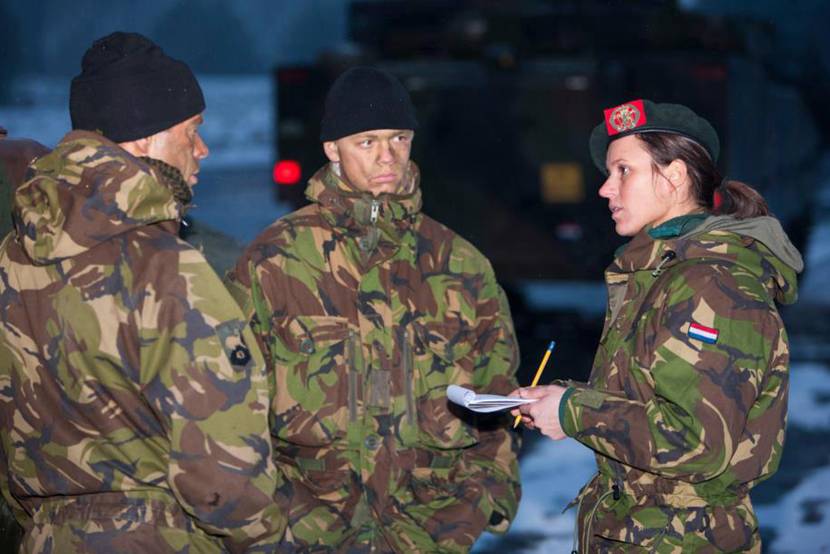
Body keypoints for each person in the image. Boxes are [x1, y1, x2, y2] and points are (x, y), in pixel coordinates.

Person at [0, 32, 283, 553]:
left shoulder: (11, 259)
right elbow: (223, 467)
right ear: (145, 138)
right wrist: (265, 539)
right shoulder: (166, 266)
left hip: (46, 535)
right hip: (161, 536)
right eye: (192, 131)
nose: (203, 149)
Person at [225, 66, 522, 552]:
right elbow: (230, 408)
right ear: (332, 149)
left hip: (428, 534)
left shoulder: (459, 264)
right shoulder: (276, 261)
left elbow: (498, 400)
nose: (388, 156)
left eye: (398, 138)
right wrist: (271, 519)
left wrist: (480, 502)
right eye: (366, 142)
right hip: (308, 534)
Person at [513, 99, 803, 552]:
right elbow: (651, 397)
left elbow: (697, 442)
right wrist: (561, 400)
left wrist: (574, 411)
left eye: (623, 171)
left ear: (675, 176)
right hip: (645, 530)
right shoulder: (660, 275)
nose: (605, 189)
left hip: (684, 537)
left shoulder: (711, 285)